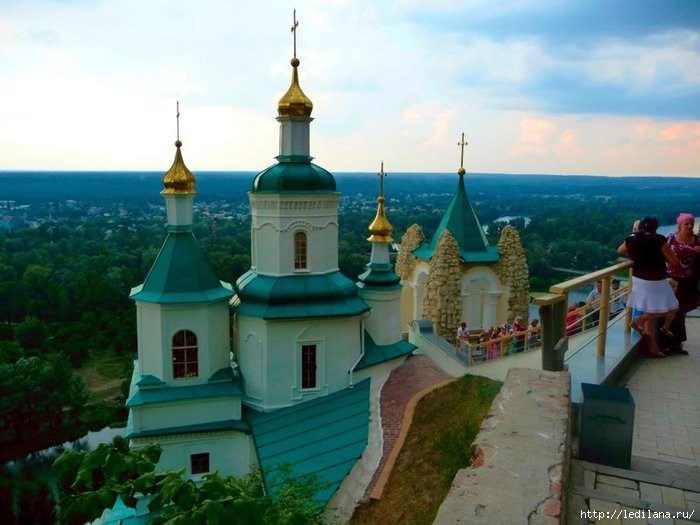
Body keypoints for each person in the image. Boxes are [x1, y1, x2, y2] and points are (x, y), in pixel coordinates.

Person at [617, 216, 679, 358]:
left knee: (648, 309)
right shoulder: (659, 239)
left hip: (639, 280)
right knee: (672, 308)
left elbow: (620, 250)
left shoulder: (632, 238)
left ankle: (653, 348)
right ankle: (641, 319)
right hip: (656, 280)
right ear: (655, 228)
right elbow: (674, 262)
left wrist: (636, 253)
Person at [665, 212, 700, 354]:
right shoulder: (671, 238)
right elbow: (661, 253)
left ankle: (676, 343)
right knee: (671, 310)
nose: (690, 226)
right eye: (686, 223)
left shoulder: (697, 239)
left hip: (689, 280)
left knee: (681, 311)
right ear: (680, 225)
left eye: (691, 223)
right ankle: (668, 343)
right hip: (672, 280)